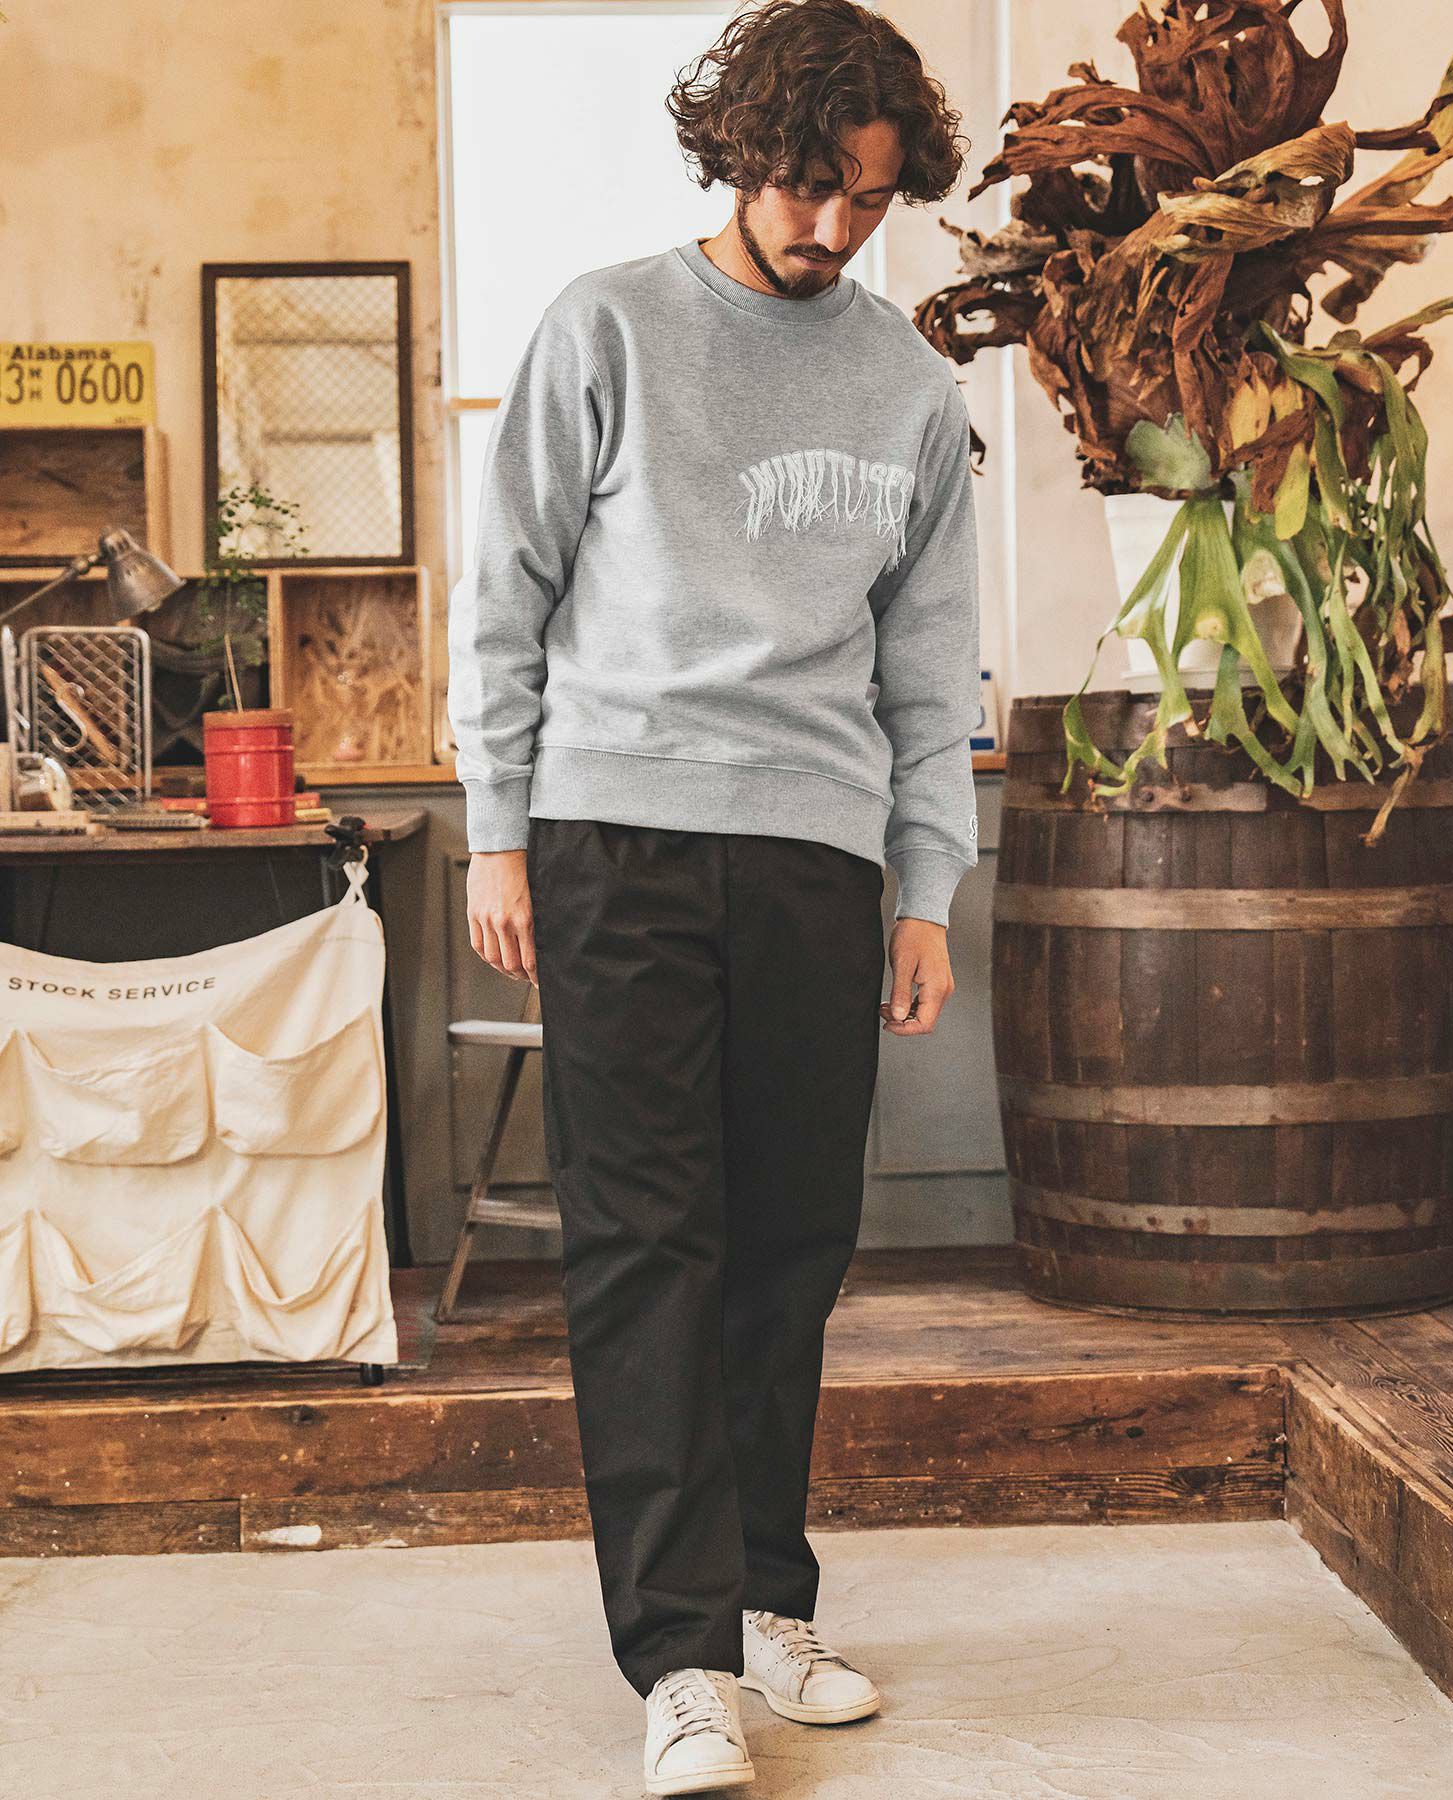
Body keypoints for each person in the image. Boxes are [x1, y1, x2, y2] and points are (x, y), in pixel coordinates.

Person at [447, 1, 981, 1790]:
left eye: (869, 200)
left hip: (819, 855)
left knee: (792, 1242)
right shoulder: (607, 327)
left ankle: (763, 1599)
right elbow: (507, 597)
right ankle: (679, 1662)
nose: (832, 228)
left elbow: (932, 663)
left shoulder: (910, 385)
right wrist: (498, 832)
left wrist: (925, 886)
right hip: (616, 836)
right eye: (806, 185)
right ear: (740, 153)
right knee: (647, 1242)